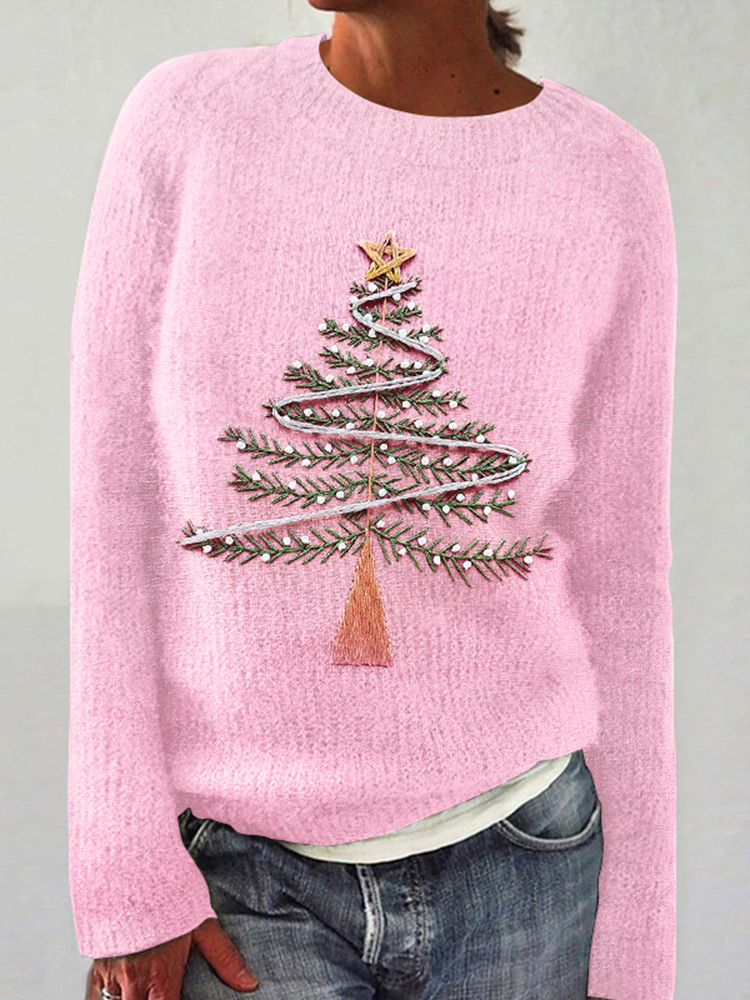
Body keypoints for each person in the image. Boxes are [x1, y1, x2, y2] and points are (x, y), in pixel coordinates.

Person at [70, 2, 678, 999]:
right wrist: (124, 876)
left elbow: (620, 570)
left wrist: (637, 955)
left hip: (530, 864)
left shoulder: (605, 175)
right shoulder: (189, 122)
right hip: (241, 880)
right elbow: (113, 511)